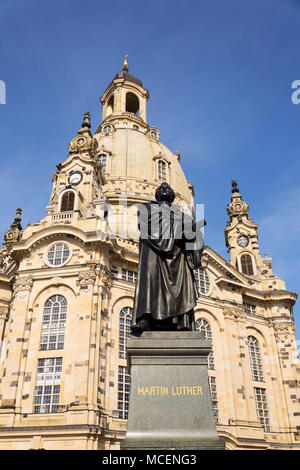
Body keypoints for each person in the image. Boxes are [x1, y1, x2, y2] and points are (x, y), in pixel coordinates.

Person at [131, 182, 204, 335]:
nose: (164, 189)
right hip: (154, 255)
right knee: (151, 283)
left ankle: (178, 321)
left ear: (173, 196)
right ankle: (146, 317)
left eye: (168, 188)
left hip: (177, 258)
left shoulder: (183, 216)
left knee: (179, 289)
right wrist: (181, 229)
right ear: (156, 194)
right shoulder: (146, 209)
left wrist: (193, 232)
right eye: (161, 188)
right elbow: (149, 227)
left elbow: (193, 237)